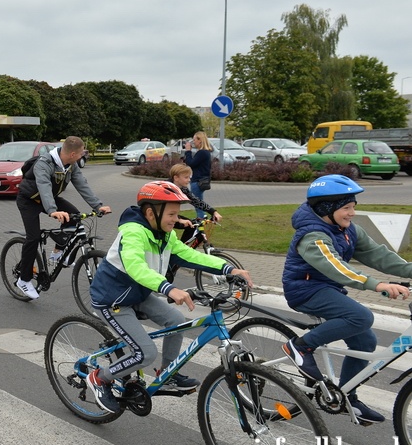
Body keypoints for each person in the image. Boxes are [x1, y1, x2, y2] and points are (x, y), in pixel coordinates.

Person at [85, 181, 253, 413]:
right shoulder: (133, 232)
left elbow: (189, 255)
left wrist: (228, 269)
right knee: (145, 353)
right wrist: (167, 288)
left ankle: (167, 374)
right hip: (112, 299)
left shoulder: (164, 235)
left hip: (138, 294)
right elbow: (135, 267)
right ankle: (100, 378)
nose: (176, 219)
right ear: (150, 212)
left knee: (177, 322)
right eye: (172, 214)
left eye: (177, 214)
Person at [281, 174, 412, 423]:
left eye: (353, 207)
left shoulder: (348, 229)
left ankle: (347, 396)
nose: (352, 213)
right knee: (361, 316)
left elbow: (379, 256)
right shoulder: (312, 236)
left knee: (365, 342)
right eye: (346, 208)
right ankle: (300, 347)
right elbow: (338, 269)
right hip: (305, 291)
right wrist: (377, 285)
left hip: (330, 289)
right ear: (326, 209)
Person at [14, 136, 111, 300]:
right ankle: (23, 280)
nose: (82, 156)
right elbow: (44, 187)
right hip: (29, 200)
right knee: (33, 237)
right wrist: (52, 211)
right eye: (81, 153)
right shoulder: (44, 163)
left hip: (49, 198)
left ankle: (57, 252)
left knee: (74, 216)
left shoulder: (71, 165)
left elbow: (81, 183)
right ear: (73, 153)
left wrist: (97, 205)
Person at [183, 131, 213, 218]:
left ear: (200, 140)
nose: (193, 142)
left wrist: (188, 151)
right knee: (199, 203)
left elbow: (191, 163)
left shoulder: (202, 152)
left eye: (194, 140)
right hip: (201, 180)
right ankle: (201, 221)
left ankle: (201, 225)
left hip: (198, 181)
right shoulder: (205, 152)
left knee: (198, 205)